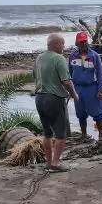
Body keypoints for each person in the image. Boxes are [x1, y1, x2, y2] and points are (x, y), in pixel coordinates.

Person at [33, 33, 79, 173]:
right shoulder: (59, 58)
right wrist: (74, 94)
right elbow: (66, 81)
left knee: (47, 133)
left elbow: (35, 76)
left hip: (39, 98)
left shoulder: (39, 57)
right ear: (55, 44)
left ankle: (48, 162)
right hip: (54, 99)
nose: (64, 47)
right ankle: (55, 163)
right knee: (61, 133)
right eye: (62, 44)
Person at [68, 31, 102, 141]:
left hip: (91, 88)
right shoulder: (72, 56)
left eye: (85, 41)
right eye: (81, 42)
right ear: (77, 43)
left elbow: (101, 75)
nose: (84, 44)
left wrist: (100, 90)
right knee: (80, 113)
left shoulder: (94, 56)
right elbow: (69, 74)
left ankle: (101, 135)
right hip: (77, 88)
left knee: (97, 113)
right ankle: (84, 134)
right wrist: (70, 90)